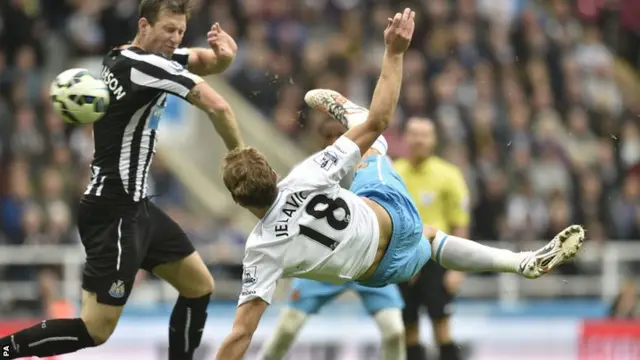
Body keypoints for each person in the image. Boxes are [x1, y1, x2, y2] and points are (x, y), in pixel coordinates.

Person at [214, 8, 584, 360]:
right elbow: (381, 119)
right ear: (275, 176)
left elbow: (240, 334)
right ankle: (521, 261)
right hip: (391, 216)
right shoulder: (306, 175)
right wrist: (394, 53)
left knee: (433, 239)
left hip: (385, 271)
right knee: (374, 142)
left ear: (238, 200)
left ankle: (522, 262)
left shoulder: (260, 251)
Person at [0, 1, 243, 359]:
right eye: (168, 30)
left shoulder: (126, 56)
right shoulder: (143, 66)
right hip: (112, 211)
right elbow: (218, 106)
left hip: (136, 208)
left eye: (180, 32)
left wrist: (227, 56)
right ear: (144, 25)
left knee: (198, 285)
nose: (175, 38)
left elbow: (208, 62)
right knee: (95, 330)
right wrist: (241, 155)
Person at [258, 120, 406, 360]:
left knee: (394, 331)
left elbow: (395, 212)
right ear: (323, 141)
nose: (337, 141)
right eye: (330, 136)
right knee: (287, 328)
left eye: (341, 135)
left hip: (370, 259)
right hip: (324, 260)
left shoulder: (378, 164)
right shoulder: (308, 171)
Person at [394, 118, 470, 360]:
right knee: (408, 328)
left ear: (434, 140)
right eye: (414, 134)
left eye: (425, 135)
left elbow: (460, 223)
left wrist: (458, 268)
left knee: (441, 325)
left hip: (436, 259)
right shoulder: (394, 174)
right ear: (406, 138)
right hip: (402, 259)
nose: (419, 140)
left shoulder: (449, 175)